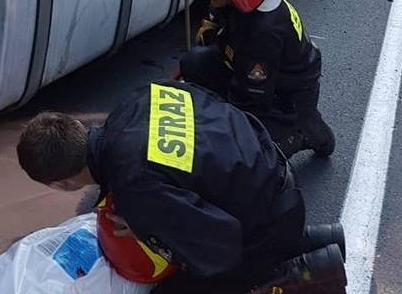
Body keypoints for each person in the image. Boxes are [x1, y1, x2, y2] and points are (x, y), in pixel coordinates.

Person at [17, 83, 346, 294]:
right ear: (77, 126)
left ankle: (305, 276)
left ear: (61, 183)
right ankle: (317, 242)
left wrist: (154, 233)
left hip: (268, 216)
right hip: (267, 169)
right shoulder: (138, 99)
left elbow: (221, 249)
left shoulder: (136, 187)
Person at [180, 0, 335, 160]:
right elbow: (219, 20)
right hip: (251, 65)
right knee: (195, 62)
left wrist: (218, 121)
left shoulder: (263, 31)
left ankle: (303, 130)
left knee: (251, 157)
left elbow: (253, 100)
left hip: (288, 91)